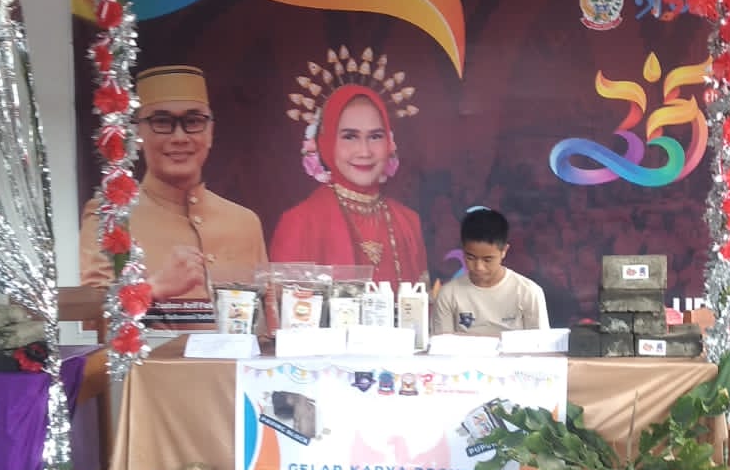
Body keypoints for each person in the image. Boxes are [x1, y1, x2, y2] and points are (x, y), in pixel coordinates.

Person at [79, 65, 267, 301]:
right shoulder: (111, 217)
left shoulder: (244, 223)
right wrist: (154, 289)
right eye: (162, 122)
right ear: (137, 134)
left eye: (194, 121)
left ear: (210, 132)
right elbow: (92, 313)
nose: (179, 137)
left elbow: (266, 314)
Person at [270, 71, 428, 288]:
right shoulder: (299, 223)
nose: (364, 151)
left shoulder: (408, 222)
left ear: (389, 143)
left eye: (375, 136)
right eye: (350, 136)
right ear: (326, 142)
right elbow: (287, 306)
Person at [431, 207, 549, 337]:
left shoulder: (528, 292)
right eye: (470, 258)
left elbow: (540, 344)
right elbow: (442, 345)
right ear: (463, 250)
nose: (479, 267)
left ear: (504, 251)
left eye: (487, 259)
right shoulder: (448, 295)